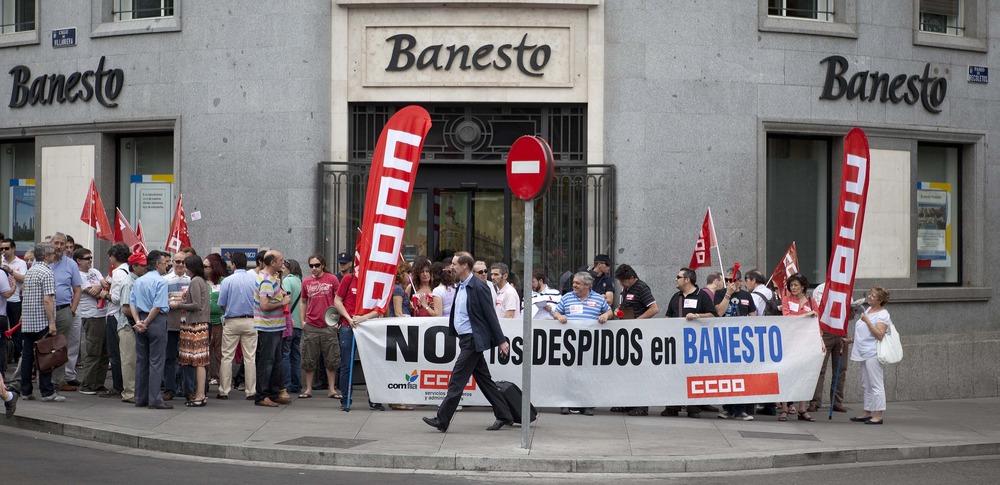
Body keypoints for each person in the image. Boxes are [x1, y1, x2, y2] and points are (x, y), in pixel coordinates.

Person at [422, 251, 513, 433]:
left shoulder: (478, 287)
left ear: (464, 266)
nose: (452, 266)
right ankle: (505, 415)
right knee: (485, 380)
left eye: (455, 264)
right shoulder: (461, 286)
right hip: (465, 339)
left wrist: (501, 340)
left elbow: (490, 316)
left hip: (473, 340)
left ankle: (442, 419)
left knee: (457, 379)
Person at [551, 271, 612, 416]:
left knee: (588, 374)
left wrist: (605, 315)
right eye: (574, 283)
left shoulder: (598, 299)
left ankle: (587, 404)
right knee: (568, 374)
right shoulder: (567, 298)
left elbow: (609, 312)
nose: (574, 285)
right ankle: (566, 403)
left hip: (590, 344)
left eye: (577, 283)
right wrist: (560, 316)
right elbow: (555, 313)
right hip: (569, 345)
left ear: (587, 285)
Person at [663, 267, 717, 418]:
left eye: (678, 277)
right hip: (676, 344)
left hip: (696, 345)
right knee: (674, 374)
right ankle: (672, 406)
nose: (676, 279)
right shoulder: (676, 297)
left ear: (687, 280)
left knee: (693, 374)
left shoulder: (702, 296)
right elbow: (668, 316)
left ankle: (693, 408)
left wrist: (697, 315)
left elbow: (712, 315)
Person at [334, 261, 382, 411]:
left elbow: (379, 308)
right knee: (346, 364)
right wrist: (348, 318)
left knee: (372, 364)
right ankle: (345, 398)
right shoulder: (348, 279)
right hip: (348, 327)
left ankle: (374, 399)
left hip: (368, 328)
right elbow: (337, 300)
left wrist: (364, 318)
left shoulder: (375, 282)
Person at [20, 242, 64, 402]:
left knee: (27, 357)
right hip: (41, 321)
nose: (55, 254)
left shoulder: (30, 271)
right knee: (45, 355)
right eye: (52, 253)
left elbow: (24, 295)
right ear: (46, 256)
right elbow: (48, 299)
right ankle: (47, 392)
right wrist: (52, 322)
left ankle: (25, 390)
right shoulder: (47, 273)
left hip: (29, 320)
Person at [712, 266, 757, 421]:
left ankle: (740, 409)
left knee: (741, 375)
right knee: (725, 374)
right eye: (725, 280)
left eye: (730, 280)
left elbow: (753, 316)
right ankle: (727, 408)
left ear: (738, 281)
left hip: (742, 342)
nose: (727, 283)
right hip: (724, 340)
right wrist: (727, 295)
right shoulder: (719, 294)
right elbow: (719, 312)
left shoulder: (747, 295)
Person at [130, 250, 173, 410]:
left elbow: (132, 303)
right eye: (164, 263)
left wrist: (138, 321)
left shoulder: (138, 281)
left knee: (142, 360)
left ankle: (140, 398)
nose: (166, 265)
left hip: (139, 319)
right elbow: (158, 305)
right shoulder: (161, 282)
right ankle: (155, 398)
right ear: (157, 264)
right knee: (156, 361)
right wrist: (146, 322)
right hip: (155, 321)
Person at [845, 286, 891, 425]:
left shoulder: (883, 314)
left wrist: (867, 321)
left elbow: (879, 335)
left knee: (876, 383)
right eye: (870, 294)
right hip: (863, 351)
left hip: (873, 352)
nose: (870, 297)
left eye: (873, 296)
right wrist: (850, 340)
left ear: (881, 300)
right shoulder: (869, 310)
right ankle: (867, 411)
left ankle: (878, 414)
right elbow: (864, 334)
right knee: (866, 384)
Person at [216, 252, 258, 400]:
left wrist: (228, 311)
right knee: (250, 357)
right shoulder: (254, 280)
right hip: (250, 320)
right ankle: (251, 391)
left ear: (233, 264)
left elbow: (222, 303)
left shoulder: (227, 281)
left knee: (227, 357)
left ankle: (224, 390)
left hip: (232, 321)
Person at [299, 254, 341, 400]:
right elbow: (303, 301)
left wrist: (337, 321)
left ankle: (331, 389)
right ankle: (308, 389)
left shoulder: (332, 279)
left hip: (329, 324)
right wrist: (302, 321)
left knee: (331, 359)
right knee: (309, 359)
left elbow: (338, 300)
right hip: (311, 324)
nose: (314, 268)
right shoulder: (306, 282)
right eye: (311, 266)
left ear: (322, 265)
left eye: (317, 265)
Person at [253, 250, 292, 407]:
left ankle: (273, 393)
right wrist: (282, 302)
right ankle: (262, 395)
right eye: (280, 260)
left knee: (275, 362)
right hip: (268, 327)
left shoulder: (270, 278)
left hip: (274, 326)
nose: (283, 263)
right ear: (272, 263)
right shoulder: (266, 280)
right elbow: (264, 305)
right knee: (267, 362)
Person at [170, 255, 211, 407]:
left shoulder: (195, 281)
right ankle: (200, 394)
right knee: (200, 361)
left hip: (195, 326)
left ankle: (199, 395)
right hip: (200, 325)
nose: (184, 268)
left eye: (186, 266)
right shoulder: (201, 281)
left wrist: (178, 305)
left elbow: (196, 305)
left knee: (198, 362)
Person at [779, 273, 818, 422]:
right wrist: (806, 315)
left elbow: (817, 323)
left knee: (804, 374)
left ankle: (802, 409)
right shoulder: (786, 300)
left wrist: (819, 340)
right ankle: (784, 409)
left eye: (796, 285)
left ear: (803, 286)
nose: (793, 288)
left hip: (806, 343)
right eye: (791, 285)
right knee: (786, 373)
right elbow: (788, 318)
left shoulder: (812, 301)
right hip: (789, 342)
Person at [807, 281, 849, 414]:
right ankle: (814, 402)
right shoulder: (821, 288)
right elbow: (818, 308)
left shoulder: (846, 287)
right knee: (820, 368)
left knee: (840, 368)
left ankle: (837, 402)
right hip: (826, 330)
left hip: (841, 330)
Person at [49, 233, 82, 392]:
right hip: (42, 311)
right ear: (51, 243)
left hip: (63, 310)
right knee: (39, 344)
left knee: (60, 347)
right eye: (57, 243)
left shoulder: (71, 264)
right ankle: (31, 380)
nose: (59, 247)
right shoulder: (42, 261)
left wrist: (72, 311)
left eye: (62, 244)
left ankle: (57, 382)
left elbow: (77, 290)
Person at [76, 248, 110, 395]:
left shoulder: (95, 271)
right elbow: (92, 292)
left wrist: (101, 286)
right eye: (86, 258)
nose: (90, 260)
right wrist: (100, 286)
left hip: (103, 314)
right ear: (79, 261)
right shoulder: (78, 275)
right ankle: (88, 384)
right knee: (93, 350)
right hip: (91, 315)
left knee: (104, 351)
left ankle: (98, 383)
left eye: (91, 257)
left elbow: (107, 285)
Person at [164, 248, 195, 401]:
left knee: (188, 358)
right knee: (169, 358)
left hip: (187, 324)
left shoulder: (191, 281)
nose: (180, 265)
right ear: (173, 262)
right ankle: (169, 388)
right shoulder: (165, 280)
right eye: (177, 261)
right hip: (170, 323)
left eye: (184, 262)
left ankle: (189, 389)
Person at [101, 243, 132, 399]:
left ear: (113, 257)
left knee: (115, 354)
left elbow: (116, 298)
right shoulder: (128, 270)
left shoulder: (119, 272)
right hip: (123, 316)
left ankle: (118, 385)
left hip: (115, 315)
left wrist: (103, 294)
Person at [117, 253, 147, 404]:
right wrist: (140, 320)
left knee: (135, 360)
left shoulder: (138, 280)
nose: (144, 267)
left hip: (133, 324)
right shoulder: (129, 282)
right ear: (134, 266)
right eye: (142, 265)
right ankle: (129, 392)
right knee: (129, 360)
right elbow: (126, 308)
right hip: (128, 325)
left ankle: (134, 390)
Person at [2, 238, 27, 373]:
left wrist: (10, 271)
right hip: (3, 301)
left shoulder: (21, 263)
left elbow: (24, 279)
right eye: (2, 249)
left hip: (15, 300)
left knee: (16, 331)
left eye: (7, 248)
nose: (4, 251)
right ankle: (6, 358)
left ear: (13, 249)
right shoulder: (1, 260)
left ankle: (19, 358)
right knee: (3, 332)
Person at [204, 254, 227, 386]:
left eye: (206, 266)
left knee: (220, 352)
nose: (204, 269)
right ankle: (205, 379)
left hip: (219, 321)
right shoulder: (201, 281)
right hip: (206, 320)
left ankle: (221, 379)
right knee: (206, 352)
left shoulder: (223, 281)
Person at [281, 259, 304, 395]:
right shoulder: (301, 282)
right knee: (296, 356)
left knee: (285, 354)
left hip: (289, 324)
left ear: (289, 269)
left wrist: (288, 317)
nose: (281, 269)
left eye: (284, 267)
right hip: (299, 324)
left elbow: (286, 300)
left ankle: (287, 385)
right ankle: (297, 385)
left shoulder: (287, 281)